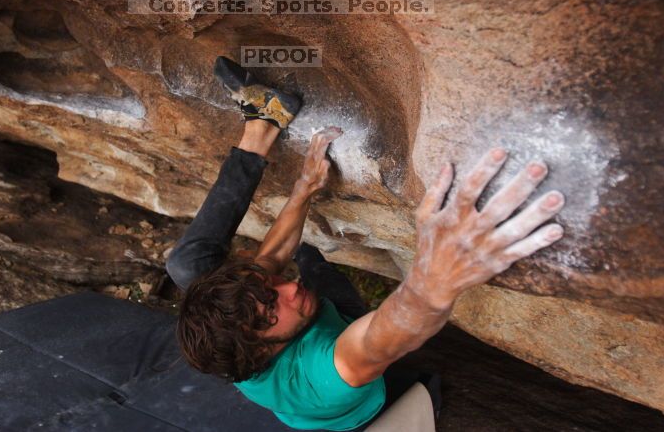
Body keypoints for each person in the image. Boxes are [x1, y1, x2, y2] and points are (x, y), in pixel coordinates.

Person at [168, 57, 566, 431]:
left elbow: (270, 258)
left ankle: (264, 122)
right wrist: (436, 275)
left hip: (290, 339)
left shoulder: (240, 326)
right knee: (319, 275)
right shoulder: (325, 374)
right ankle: (320, 266)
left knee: (188, 267)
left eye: (270, 286)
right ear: (260, 351)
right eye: (273, 305)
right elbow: (392, 333)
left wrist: (304, 189)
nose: (287, 286)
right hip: (359, 406)